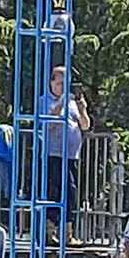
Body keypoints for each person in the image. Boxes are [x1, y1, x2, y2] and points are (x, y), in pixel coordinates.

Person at [40, 66, 89, 247]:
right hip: (53, 154)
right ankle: (50, 231)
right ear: (51, 82)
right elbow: (47, 126)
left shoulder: (73, 103)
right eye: (59, 83)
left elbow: (84, 126)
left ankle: (67, 233)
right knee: (54, 192)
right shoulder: (45, 101)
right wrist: (60, 104)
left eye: (65, 84)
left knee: (71, 192)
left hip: (71, 155)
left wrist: (83, 110)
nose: (62, 87)